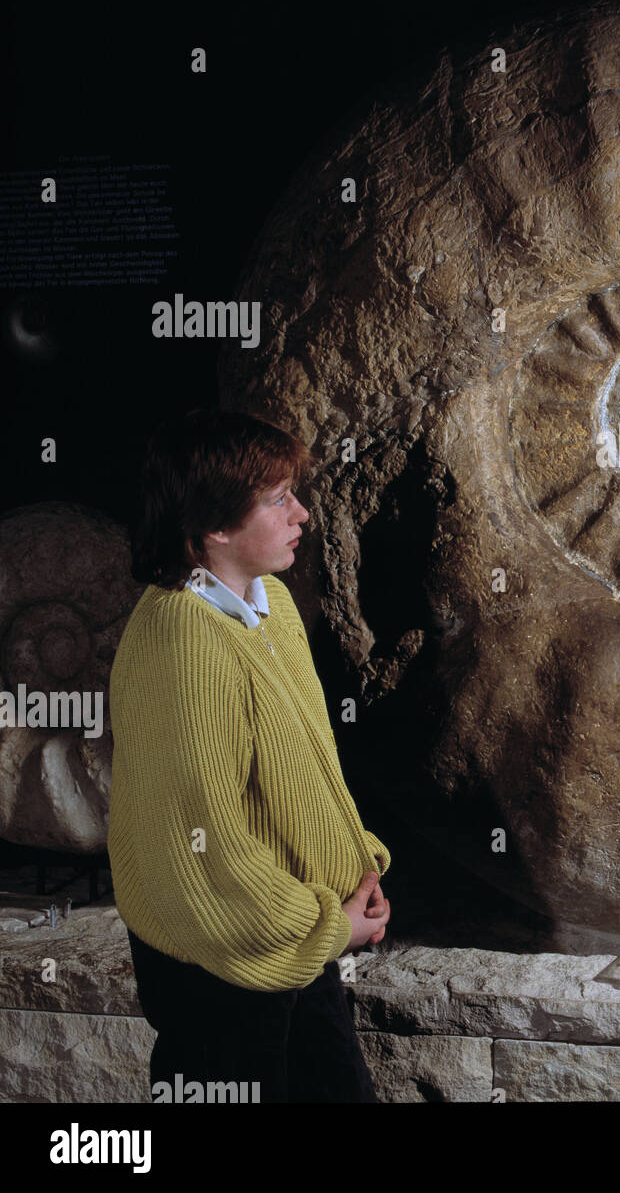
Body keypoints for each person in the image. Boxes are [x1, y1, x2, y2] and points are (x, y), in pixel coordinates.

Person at [107, 408, 392, 1102]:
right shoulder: (185, 640)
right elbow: (203, 849)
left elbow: (304, 774)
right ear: (214, 525)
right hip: (224, 960)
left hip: (293, 940)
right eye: (276, 499)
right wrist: (332, 925)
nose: (301, 514)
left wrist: (357, 864)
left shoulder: (273, 605)